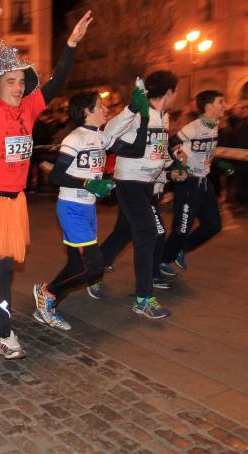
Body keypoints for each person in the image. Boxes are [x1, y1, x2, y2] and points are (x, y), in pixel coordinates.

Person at [0, 2, 93, 358]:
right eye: (10, 81)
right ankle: (6, 335)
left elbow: (58, 80)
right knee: (2, 266)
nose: (18, 86)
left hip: (14, 201)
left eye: (22, 81)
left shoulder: (29, 107)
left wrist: (72, 44)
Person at [35, 89, 149, 329]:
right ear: (87, 111)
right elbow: (57, 175)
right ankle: (48, 293)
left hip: (87, 209)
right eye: (100, 106)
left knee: (78, 266)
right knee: (94, 268)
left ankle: (48, 302)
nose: (105, 109)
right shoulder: (74, 139)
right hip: (71, 207)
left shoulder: (102, 137)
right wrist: (89, 182)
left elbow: (136, 150)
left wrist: (144, 115)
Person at [99, 71, 181, 319]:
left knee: (124, 232)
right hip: (130, 182)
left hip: (148, 186)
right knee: (148, 234)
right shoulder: (140, 113)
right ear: (169, 92)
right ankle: (143, 298)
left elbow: (159, 151)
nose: (175, 97)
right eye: (175, 92)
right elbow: (107, 132)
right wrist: (133, 108)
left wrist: (172, 169)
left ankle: (91, 270)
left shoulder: (164, 118)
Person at [160, 90, 233, 275]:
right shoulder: (195, 126)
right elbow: (170, 144)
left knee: (213, 225)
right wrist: (179, 163)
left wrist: (218, 163)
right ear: (209, 107)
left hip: (204, 181)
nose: (224, 106)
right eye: (221, 102)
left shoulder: (213, 125)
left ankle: (181, 249)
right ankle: (162, 261)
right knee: (182, 228)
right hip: (188, 182)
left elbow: (202, 151)